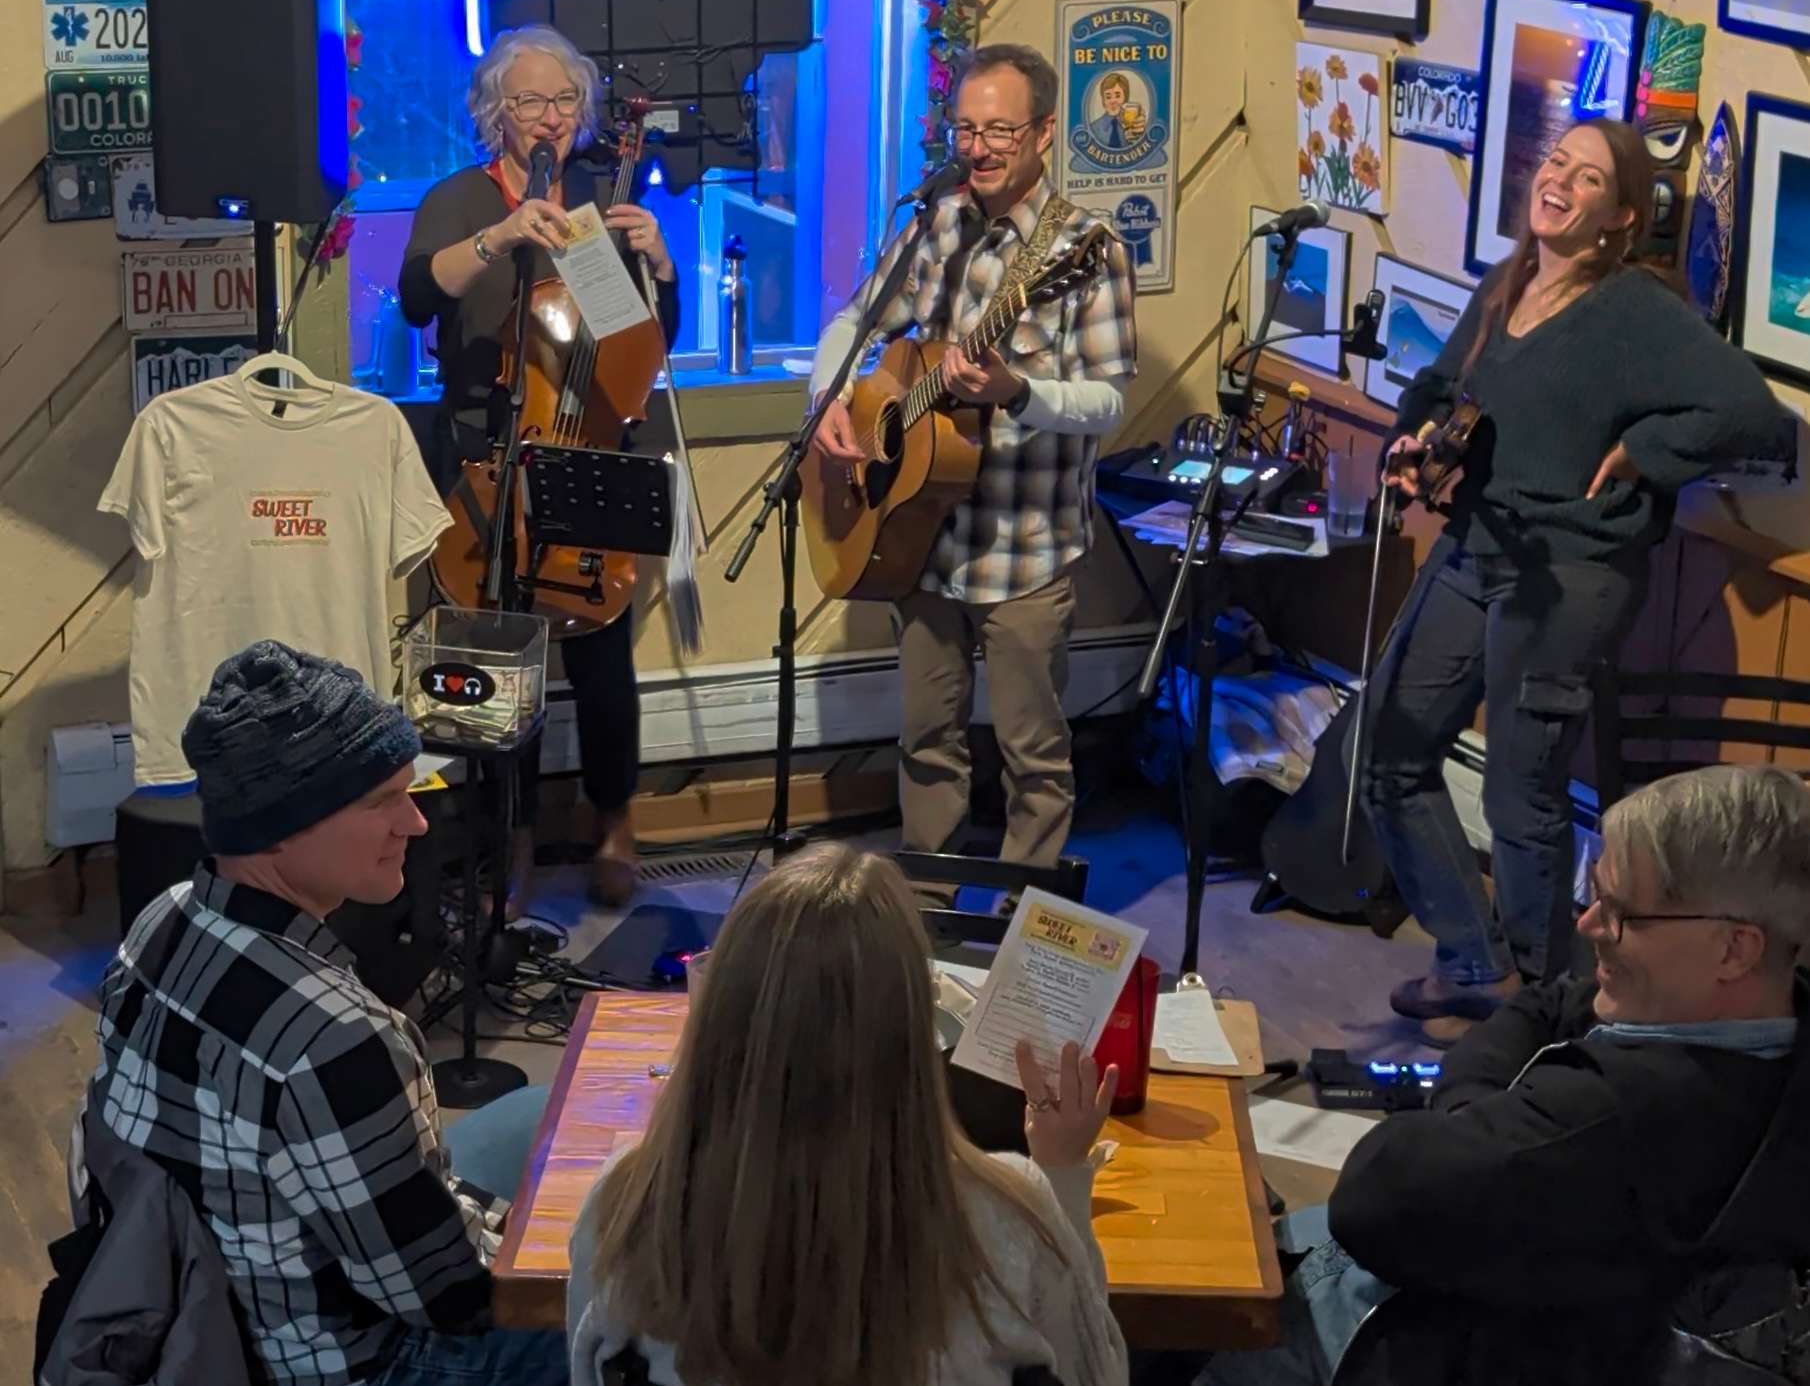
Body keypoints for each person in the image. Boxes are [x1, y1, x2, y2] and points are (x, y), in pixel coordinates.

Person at [1366, 119, 1795, 1042]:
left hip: (1568, 572)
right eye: (1556, 160)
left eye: (1587, 176)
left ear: (1619, 217)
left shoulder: (1634, 312)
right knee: (1390, 751)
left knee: (1523, 793)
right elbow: (1440, 388)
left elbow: (1755, 413)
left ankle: (1544, 1004)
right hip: (1477, 545)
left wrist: (1645, 450)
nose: (1558, 178)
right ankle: (1473, 961)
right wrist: (1413, 440)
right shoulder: (1511, 279)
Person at [1203, 764, 1810, 1386]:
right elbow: (1546, 1003)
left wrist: (1471, 1123)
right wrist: (1482, 1130)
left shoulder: (1602, 1117)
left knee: (1167, 1315)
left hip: (1387, 1341)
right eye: (1595, 894)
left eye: (1623, 913)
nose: (1589, 924)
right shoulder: (1776, 1028)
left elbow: (1372, 1195)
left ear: (1735, 949)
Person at [87, 640, 566, 1386]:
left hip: (201, 1311)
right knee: (663, 1311)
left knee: (539, 1111)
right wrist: (590, 1262)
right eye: (382, 801)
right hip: (350, 1363)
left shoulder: (163, 919)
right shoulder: (337, 1038)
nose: (415, 824)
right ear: (281, 825)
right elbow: (446, 1297)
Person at [567, 842, 1129, 1386]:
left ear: (720, 1015)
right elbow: (1096, 1372)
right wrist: (1062, 1174)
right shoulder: (1014, 1214)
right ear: (913, 1026)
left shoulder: (623, 1205)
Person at [810, 45, 1138, 875]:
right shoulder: (935, 225)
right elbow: (854, 324)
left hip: (1025, 549)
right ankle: (930, 904)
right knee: (925, 735)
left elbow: (1108, 402)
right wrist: (828, 406)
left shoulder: (1087, 249)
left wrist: (1016, 390)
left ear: (1044, 135)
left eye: (1000, 129)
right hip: (920, 544)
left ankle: (1034, 925)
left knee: (1032, 749)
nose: (980, 146)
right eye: (966, 128)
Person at [400, 24, 680, 908]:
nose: (548, 117)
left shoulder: (597, 201)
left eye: (562, 100)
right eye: (528, 101)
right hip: (488, 453)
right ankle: (508, 839)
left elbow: (637, 349)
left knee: (602, 659)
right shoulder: (459, 198)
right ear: (497, 113)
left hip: (581, 442)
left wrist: (660, 269)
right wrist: (501, 238)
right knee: (498, 660)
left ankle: (616, 822)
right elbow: (416, 299)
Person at [1089, 71, 1133, 150]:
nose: (1113, 101)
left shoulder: (1133, 126)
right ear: (1103, 100)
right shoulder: (1094, 128)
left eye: (1117, 96)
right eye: (1108, 97)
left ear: (1125, 98)